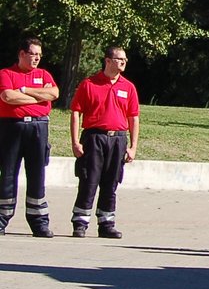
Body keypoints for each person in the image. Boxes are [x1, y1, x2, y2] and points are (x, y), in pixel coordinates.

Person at [67, 46, 139, 239]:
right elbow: (75, 113)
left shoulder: (128, 87)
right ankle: (80, 222)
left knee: (111, 183)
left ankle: (106, 223)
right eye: (119, 59)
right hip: (94, 138)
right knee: (89, 181)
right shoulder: (89, 84)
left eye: (125, 59)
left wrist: (132, 146)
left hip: (118, 139)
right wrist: (75, 142)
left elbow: (133, 117)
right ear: (108, 61)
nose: (123, 62)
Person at [0, 35, 59, 237]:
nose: (36, 59)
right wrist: (37, 97)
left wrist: (24, 91)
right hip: (12, 128)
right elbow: (8, 97)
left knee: (37, 174)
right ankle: (2, 218)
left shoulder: (44, 74)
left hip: (38, 128)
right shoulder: (6, 73)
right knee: (8, 174)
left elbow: (53, 94)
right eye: (33, 54)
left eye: (39, 55)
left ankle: (39, 222)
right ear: (22, 54)